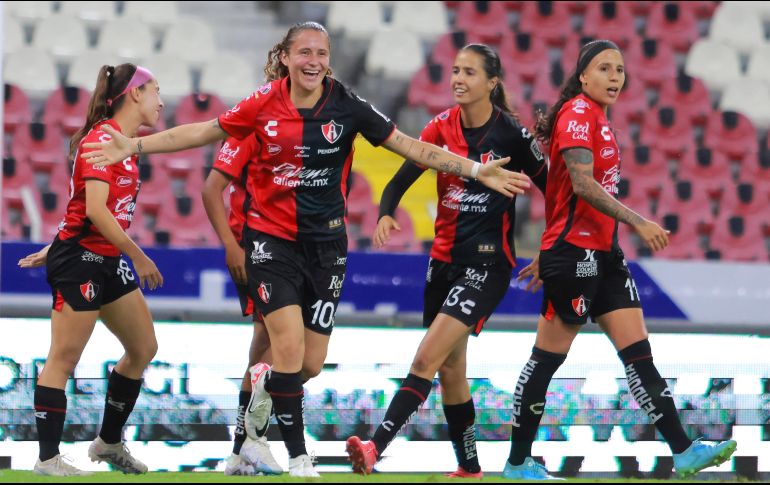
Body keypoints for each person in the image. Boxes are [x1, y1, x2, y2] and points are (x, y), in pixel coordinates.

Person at [80, 21, 531, 478]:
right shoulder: (262, 103)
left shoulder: (347, 104)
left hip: (327, 248)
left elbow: (411, 148)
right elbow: (201, 132)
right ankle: (297, 458)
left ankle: (252, 423)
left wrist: (475, 171)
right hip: (270, 243)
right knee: (288, 350)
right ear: (287, 58)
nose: (313, 61)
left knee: (307, 365)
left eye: (321, 52)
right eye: (304, 53)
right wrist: (133, 145)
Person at [500, 40, 737, 480]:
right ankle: (517, 462)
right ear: (583, 76)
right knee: (547, 359)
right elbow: (583, 185)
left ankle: (683, 451)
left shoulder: (600, 119)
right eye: (604, 68)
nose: (615, 76)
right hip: (574, 255)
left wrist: (553, 242)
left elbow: (560, 192)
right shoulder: (576, 114)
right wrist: (638, 222)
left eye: (620, 69)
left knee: (639, 355)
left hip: (603, 254)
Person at [344, 44, 547, 477]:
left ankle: (374, 447)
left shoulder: (511, 133)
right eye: (455, 71)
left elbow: (557, 189)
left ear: (492, 83)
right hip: (443, 262)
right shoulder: (440, 127)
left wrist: (550, 244)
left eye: (469, 73)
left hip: (487, 266)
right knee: (452, 370)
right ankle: (470, 467)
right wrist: (384, 213)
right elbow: (401, 179)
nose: (458, 79)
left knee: (425, 361)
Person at [21, 63, 164, 476]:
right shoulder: (101, 140)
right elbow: (99, 212)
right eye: (155, 89)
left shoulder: (126, 143)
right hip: (82, 258)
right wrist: (139, 256)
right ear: (135, 93)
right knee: (63, 358)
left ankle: (108, 443)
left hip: (101, 256)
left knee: (143, 349)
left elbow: (83, 208)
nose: (160, 99)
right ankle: (48, 459)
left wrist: (54, 243)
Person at [201, 134, 282, 476]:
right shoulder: (252, 127)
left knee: (266, 346)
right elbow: (212, 188)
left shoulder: (303, 126)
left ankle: (241, 448)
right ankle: (248, 445)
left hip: (285, 246)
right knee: (272, 344)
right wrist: (231, 246)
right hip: (255, 247)